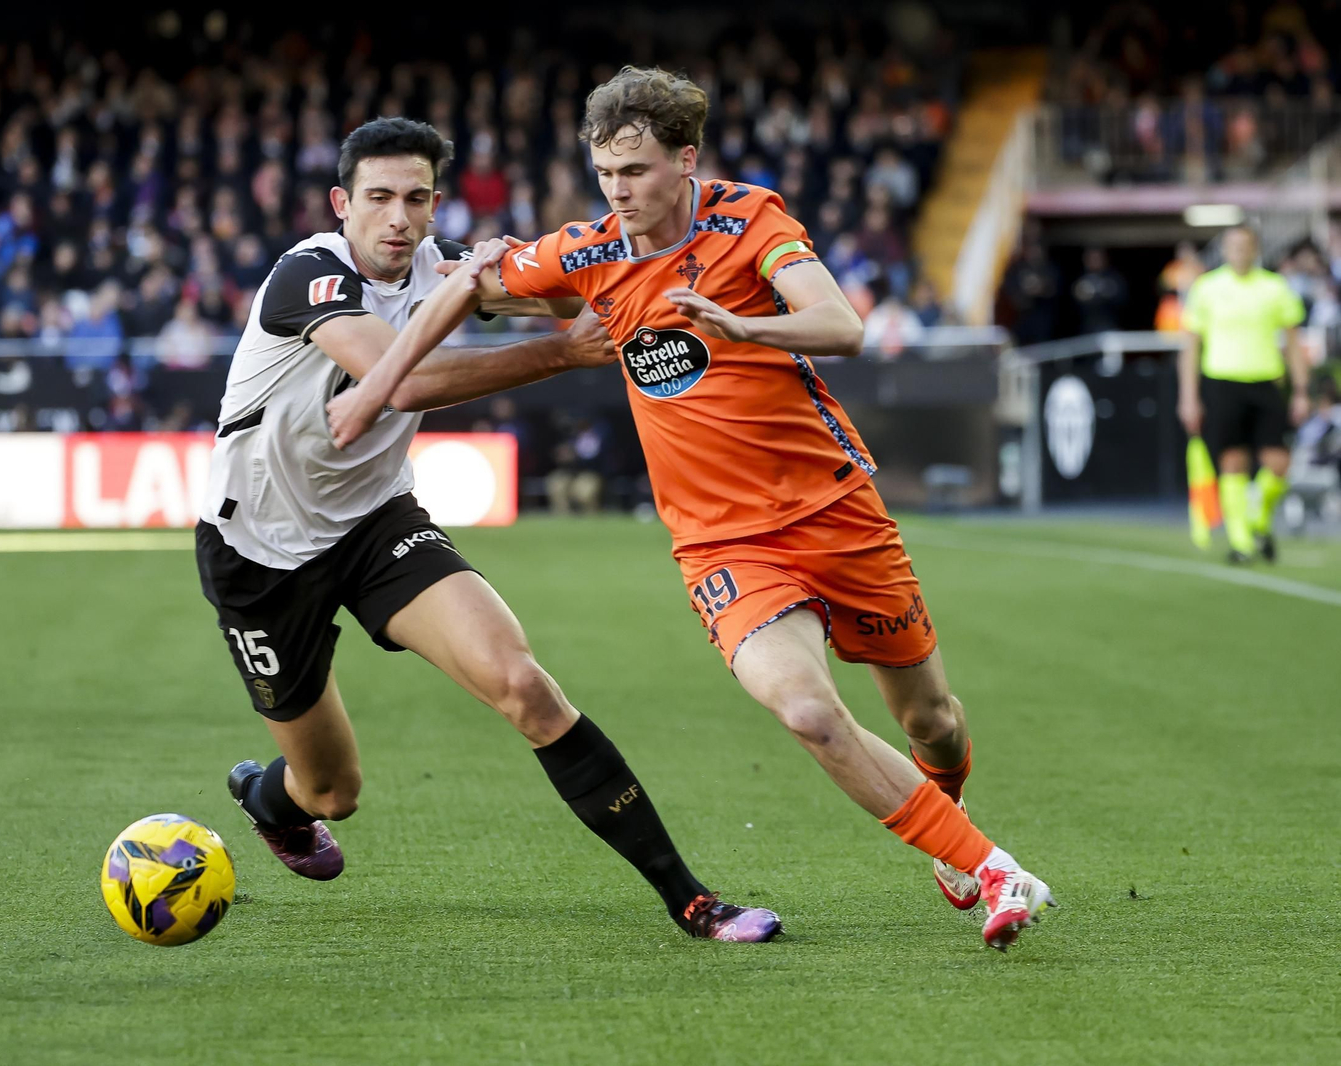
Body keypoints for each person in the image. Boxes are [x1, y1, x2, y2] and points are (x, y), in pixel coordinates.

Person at [332, 69, 1057, 952]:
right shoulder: (590, 248)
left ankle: (949, 819)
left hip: (837, 511)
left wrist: (744, 328)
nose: (618, 191)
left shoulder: (752, 219)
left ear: (686, 158)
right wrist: (388, 351)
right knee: (806, 711)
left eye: (634, 171)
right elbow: (472, 282)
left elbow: (841, 325)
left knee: (931, 721)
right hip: (723, 543)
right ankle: (990, 869)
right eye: (604, 173)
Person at [199, 117, 781, 943]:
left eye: (415, 199)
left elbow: (576, 280)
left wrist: (670, 270)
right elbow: (405, 379)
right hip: (258, 554)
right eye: (379, 199)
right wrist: (559, 353)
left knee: (524, 686)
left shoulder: (444, 269)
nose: (398, 217)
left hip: (374, 526)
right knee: (332, 792)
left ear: (437, 206)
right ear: (342, 204)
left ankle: (691, 900)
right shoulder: (309, 275)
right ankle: (269, 800)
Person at [1178, 226, 1310, 564]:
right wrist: (1189, 395)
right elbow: (1191, 346)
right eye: (1233, 245)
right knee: (1232, 461)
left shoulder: (1275, 287)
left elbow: (1294, 344)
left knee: (1278, 462)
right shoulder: (1207, 288)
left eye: (1246, 245)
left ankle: (1257, 520)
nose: (1240, 251)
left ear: (1255, 249)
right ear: (1224, 250)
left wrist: (1300, 390)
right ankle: (1241, 543)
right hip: (1222, 382)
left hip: (1266, 381)